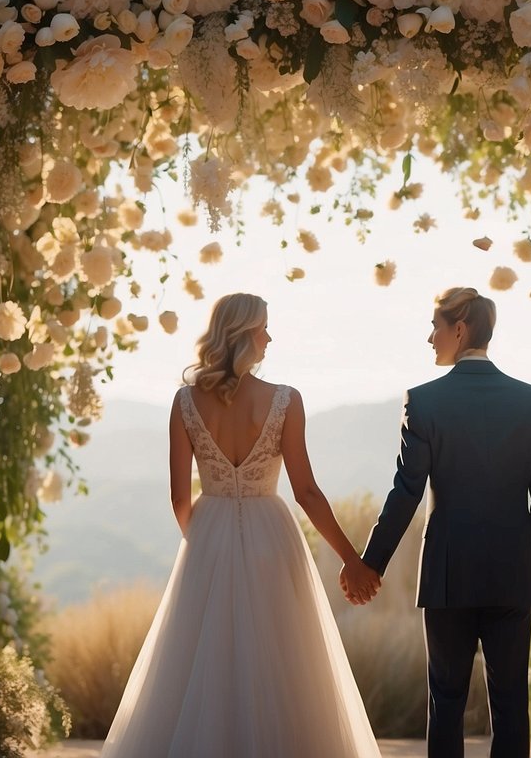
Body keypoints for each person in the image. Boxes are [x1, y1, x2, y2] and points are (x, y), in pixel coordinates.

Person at [101, 292, 382, 758]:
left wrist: (205, 543)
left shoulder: (185, 402)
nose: (269, 337)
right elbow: (306, 492)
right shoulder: (285, 401)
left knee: (200, 660)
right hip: (272, 534)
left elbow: (177, 496)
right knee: (283, 657)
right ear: (243, 334)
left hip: (206, 530)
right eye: (263, 328)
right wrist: (352, 559)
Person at [344, 287, 531, 758]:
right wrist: (520, 556)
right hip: (511, 576)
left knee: (446, 701)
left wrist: (371, 564)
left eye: (435, 327)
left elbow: (407, 493)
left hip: (448, 576)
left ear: (459, 328)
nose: (430, 338)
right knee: (510, 704)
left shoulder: (424, 402)